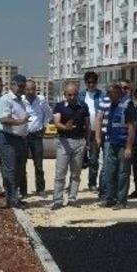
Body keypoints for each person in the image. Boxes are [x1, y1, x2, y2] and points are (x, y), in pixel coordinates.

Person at [95, 83, 136, 209]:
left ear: (118, 93)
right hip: (111, 142)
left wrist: (129, 147)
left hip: (123, 144)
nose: (109, 97)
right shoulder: (112, 105)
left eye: (111, 94)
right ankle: (110, 198)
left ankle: (121, 200)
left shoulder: (128, 105)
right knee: (109, 171)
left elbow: (132, 127)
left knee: (123, 173)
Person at [51, 82, 90, 210]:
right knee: (60, 173)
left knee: (75, 174)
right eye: (69, 95)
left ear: (77, 94)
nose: (72, 97)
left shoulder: (83, 106)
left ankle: (72, 198)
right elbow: (56, 122)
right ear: (65, 95)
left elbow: (87, 124)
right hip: (64, 142)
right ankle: (57, 200)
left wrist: (87, 141)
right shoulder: (59, 106)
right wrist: (65, 127)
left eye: (74, 94)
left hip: (79, 142)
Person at [0, 74, 29, 208]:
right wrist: (20, 121)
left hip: (21, 139)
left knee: (19, 171)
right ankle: (11, 200)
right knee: (10, 170)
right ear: (13, 84)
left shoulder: (21, 101)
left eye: (23, 86)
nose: (22, 89)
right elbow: (3, 119)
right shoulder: (6, 100)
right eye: (20, 86)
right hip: (9, 139)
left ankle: (15, 198)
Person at [21, 78, 52, 197]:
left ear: (35, 89)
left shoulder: (41, 100)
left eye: (32, 89)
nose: (30, 91)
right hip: (23, 135)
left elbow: (48, 115)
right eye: (28, 89)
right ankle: (23, 191)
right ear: (25, 90)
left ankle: (40, 189)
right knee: (22, 164)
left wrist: (44, 127)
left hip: (37, 135)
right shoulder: (21, 100)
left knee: (38, 164)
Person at [78, 71, 103, 192]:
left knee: (94, 159)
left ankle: (92, 183)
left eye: (93, 82)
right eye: (89, 82)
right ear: (85, 83)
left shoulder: (102, 95)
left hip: (96, 131)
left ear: (97, 83)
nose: (91, 84)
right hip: (83, 131)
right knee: (77, 159)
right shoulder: (80, 95)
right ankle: (74, 184)